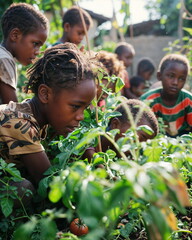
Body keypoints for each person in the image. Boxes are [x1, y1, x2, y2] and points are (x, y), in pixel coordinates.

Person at [0, 43, 96, 187]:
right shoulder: (19, 122)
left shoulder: (43, 121)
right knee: (22, 190)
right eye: (75, 106)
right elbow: (50, 184)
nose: (81, 116)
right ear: (45, 94)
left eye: (84, 108)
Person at [0, 3, 49, 104]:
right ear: (15, 35)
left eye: (40, 46)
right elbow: (11, 110)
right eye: (35, 43)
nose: (37, 51)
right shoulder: (4, 60)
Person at [83, 99, 159, 162]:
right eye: (141, 138)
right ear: (115, 124)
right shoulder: (87, 145)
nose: (138, 147)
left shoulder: (125, 157)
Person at [140, 53, 192, 137]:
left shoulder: (188, 100)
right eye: (171, 76)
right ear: (159, 76)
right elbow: (144, 131)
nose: (175, 82)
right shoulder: (148, 100)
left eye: (181, 79)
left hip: (184, 142)